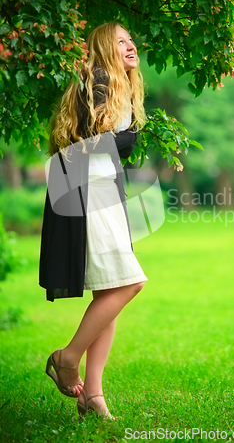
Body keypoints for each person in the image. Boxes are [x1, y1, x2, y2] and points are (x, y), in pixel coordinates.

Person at [39, 22, 148, 419]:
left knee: (112, 289)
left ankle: (93, 394)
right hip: (86, 192)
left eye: (131, 40)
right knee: (131, 282)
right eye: (121, 41)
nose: (130, 45)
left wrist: (119, 142)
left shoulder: (124, 90)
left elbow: (120, 144)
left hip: (104, 192)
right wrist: (119, 142)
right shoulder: (97, 81)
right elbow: (92, 143)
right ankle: (67, 358)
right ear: (104, 49)